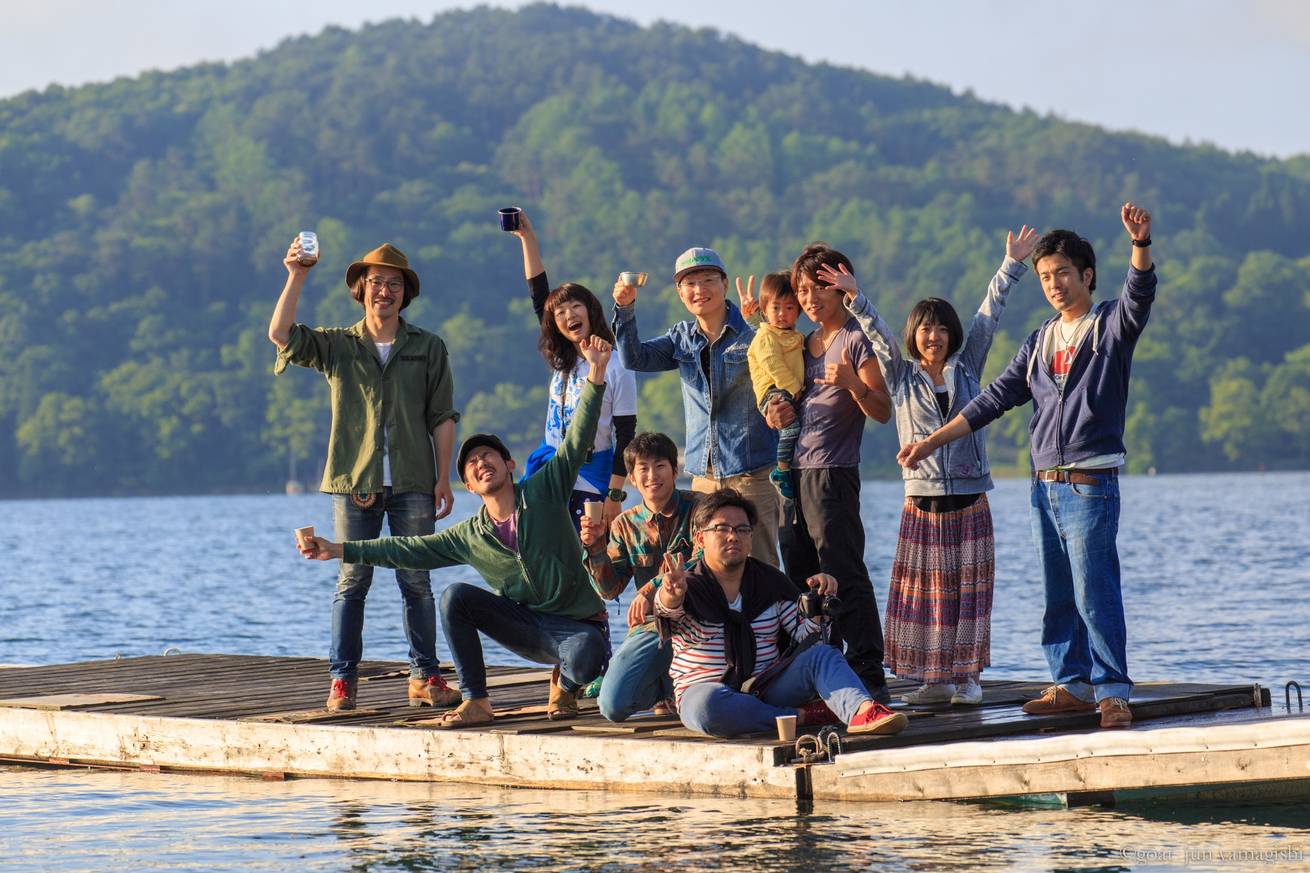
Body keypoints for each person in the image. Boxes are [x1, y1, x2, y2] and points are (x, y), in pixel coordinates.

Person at [899, 204, 1156, 729]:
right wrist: (932, 443)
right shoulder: (1040, 339)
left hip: (1090, 483)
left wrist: (1140, 246)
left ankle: (1112, 692)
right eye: (1045, 276)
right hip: (1044, 485)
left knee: (1095, 590)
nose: (1054, 284)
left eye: (1063, 272)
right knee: (1059, 593)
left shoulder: (1108, 324)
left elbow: (1139, 297)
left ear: (1086, 274)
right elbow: (993, 398)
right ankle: (1070, 683)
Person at [299, 336, 617, 727]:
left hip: (577, 625)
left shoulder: (545, 491)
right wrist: (338, 549)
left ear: (510, 464)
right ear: (468, 484)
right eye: (471, 463)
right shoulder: (471, 534)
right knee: (454, 597)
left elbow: (577, 439)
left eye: (489, 456)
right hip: (526, 626)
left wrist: (597, 373)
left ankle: (564, 682)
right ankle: (477, 701)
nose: (481, 462)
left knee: (587, 657)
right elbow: (407, 549)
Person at [835, 226, 1037, 706]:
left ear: (952, 336)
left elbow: (989, 315)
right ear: (915, 335)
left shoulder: (968, 367)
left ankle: (967, 679)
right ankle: (934, 679)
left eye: (942, 328)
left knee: (968, 595)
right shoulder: (901, 374)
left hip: (968, 498)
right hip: (921, 501)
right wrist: (856, 298)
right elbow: (878, 335)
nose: (934, 336)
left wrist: (1010, 266)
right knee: (925, 596)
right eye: (926, 328)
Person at [269, 239, 460, 712]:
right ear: (361, 289)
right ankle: (342, 681)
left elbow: (442, 416)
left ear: (405, 293)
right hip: (354, 483)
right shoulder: (339, 345)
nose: (385, 292)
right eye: (376, 283)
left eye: (394, 284)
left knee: (416, 581)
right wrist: (297, 273)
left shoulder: (428, 347)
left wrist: (442, 478)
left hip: (414, 481)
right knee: (352, 581)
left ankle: (424, 676)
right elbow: (280, 333)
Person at [654, 489, 908, 739]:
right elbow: (667, 608)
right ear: (700, 539)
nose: (733, 536)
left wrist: (817, 607)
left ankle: (863, 712)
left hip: (763, 687)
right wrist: (672, 593)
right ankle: (800, 716)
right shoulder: (688, 586)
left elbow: (804, 635)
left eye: (742, 530)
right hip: (705, 692)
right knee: (706, 709)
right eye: (722, 529)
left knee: (822, 655)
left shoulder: (769, 582)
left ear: (751, 538)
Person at [769, 243, 893, 702]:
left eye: (819, 287)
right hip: (791, 475)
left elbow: (882, 410)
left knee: (844, 571)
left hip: (833, 473)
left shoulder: (856, 338)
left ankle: (868, 672)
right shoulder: (803, 345)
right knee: (800, 572)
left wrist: (852, 384)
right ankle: (821, 665)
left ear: (841, 286)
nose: (809, 297)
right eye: (802, 289)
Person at [612, 248, 783, 567]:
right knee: (707, 569)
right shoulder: (681, 338)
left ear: (725, 284)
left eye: (708, 280)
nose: (699, 290)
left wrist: (760, 323)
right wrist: (624, 308)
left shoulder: (750, 330)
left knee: (760, 567)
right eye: (690, 284)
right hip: (702, 479)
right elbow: (633, 358)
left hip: (753, 475)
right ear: (680, 292)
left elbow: (780, 367)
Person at [510, 211, 638, 531]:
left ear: (590, 310)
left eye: (575, 306)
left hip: (593, 471)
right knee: (542, 548)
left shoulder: (617, 364)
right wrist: (528, 239)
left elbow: (626, 433)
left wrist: (614, 494)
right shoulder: (562, 358)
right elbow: (540, 297)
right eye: (561, 313)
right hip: (549, 463)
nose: (569, 315)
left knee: (587, 550)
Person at [580, 431, 699, 722]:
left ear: (675, 470)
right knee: (612, 706)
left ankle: (675, 684)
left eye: (660, 466)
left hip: (700, 622)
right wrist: (595, 548)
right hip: (651, 627)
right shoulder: (624, 525)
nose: (652, 475)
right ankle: (661, 687)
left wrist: (651, 588)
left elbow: (704, 560)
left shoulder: (700, 508)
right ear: (632, 478)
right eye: (642, 468)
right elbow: (609, 590)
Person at [746, 273, 804, 501]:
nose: (782, 314)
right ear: (765, 309)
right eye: (776, 307)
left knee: (795, 428)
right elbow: (773, 363)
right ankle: (782, 470)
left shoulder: (792, 336)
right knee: (791, 428)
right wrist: (793, 387)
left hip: (786, 388)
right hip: (774, 390)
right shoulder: (766, 336)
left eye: (789, 308)